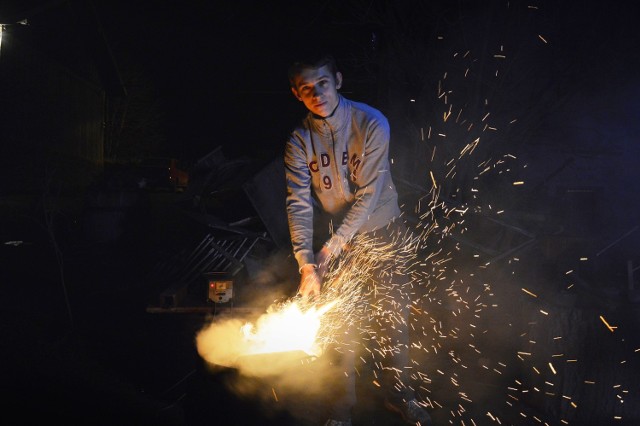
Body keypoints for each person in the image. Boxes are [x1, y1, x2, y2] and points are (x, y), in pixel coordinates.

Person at [284, 53, 432, 426]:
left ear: (337, 79)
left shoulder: (371, 122)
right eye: (306, 88)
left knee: (393, 318)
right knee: (341, 323)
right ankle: (340, 410)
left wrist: (331, 248)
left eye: (322, 83)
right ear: (297, 95)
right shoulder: (299, 142)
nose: (317, 93)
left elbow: (369, 193)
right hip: (342, 242)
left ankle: (400, 396)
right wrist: (306, 264)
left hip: (384, 232)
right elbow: (298, 204)